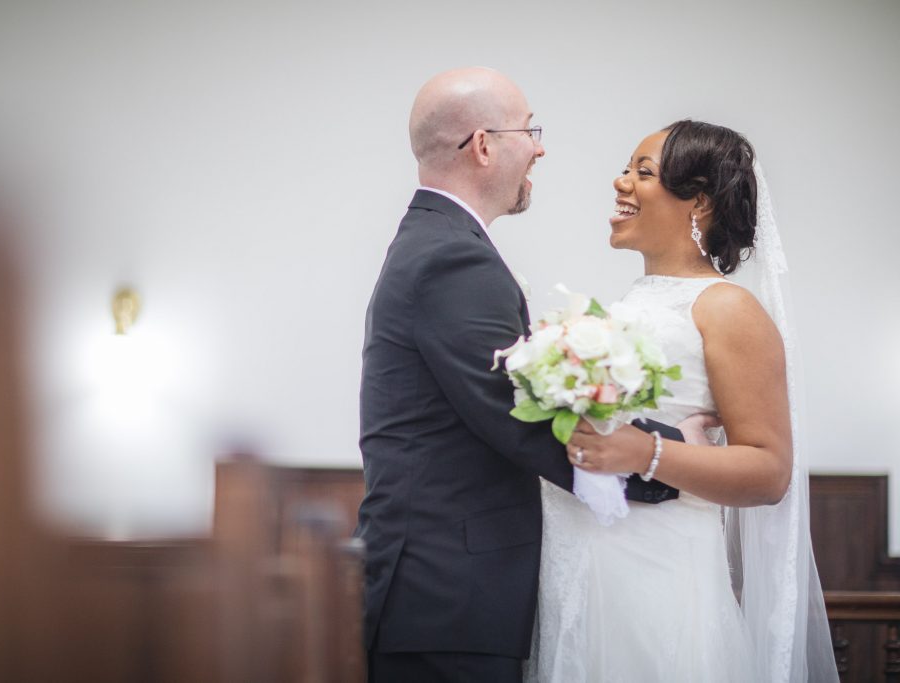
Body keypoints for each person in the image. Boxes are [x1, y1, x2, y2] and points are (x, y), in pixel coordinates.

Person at [356, 67, 685, 683]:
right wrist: (667, 458)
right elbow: (515, 413)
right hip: (447, 597)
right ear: (484, 146)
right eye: (530, 129)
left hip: (438, 595)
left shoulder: (437, 243)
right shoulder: (450, 256)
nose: (540, 146)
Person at [526, 120, 837, 682]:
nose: (620, 183)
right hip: (585, 564)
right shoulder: (634, 300)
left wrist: (646, 452)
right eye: (627, 168)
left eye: (642, 172)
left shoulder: (726, 308)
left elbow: (768, 471)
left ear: (699, 202)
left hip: (655, 573)